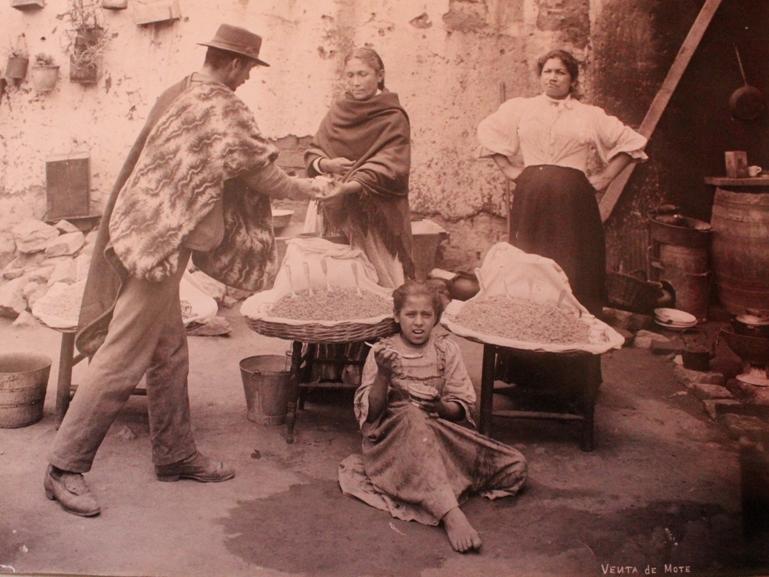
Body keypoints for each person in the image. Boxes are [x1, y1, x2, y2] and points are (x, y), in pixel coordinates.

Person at [44, 24, 337, 517]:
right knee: (121, 357)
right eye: (246, 69)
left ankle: (175, 453)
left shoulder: (179, 92)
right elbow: (260, 173)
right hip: (158, 244)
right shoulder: (220, 106)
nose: (246, 79)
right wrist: (315, 190)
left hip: (144, 229)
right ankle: (63, 466)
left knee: (170, 352)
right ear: (234, 64)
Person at [338, 281, 527, 553]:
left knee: (515, 466)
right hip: (393, 443)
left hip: (437, 434)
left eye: (426, 315)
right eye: (410, 315)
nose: (418, 323)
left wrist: (440, 406)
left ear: (436, 318)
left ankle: (434, 484)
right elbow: (372, 416)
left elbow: (462, 408)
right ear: (396, 316)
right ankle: (450, 514)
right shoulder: (382, 352)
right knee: (413, 415)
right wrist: (383, 374)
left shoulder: (446, 351)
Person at [477, 48, 647, 316]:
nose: (553, 78)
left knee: (571, 259)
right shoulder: (522, 108)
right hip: (531, 194)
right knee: (529, 260)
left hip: (573, 199)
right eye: (547, 72)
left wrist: (605, 176)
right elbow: (487, 131)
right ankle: (529, 321)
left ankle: (570, 324)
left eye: (560, 72)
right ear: (540, 76)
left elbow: (632, 142)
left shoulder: (589, 114)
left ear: (573, 80)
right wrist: (508, 168)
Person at [306, 46, 414, 289]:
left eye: (362, 74)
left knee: (382, 274)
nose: (355, 82)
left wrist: (350, 187)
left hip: (377, 211)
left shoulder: (392, 116)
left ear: (380, 75)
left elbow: (391, 165)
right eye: (350, 75)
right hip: (339, 211)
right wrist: (326, 163)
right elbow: (314, 150)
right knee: (342, 277)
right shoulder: (338, 111)